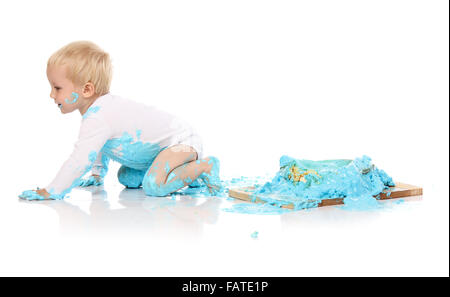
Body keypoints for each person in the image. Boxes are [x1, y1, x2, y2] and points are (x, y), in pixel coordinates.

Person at [19, 41, 221, 200]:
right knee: (127, 179)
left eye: (57, 88)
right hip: (159, 153)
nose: (52, 95)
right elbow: (98, 145)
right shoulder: (97, 113)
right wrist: (98, 174)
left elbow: (81, 158)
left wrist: (52, 190)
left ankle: (204, 167)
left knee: (154, 186)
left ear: (87, 90)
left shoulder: (100, 116)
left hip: (180, 143)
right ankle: (190, 175)